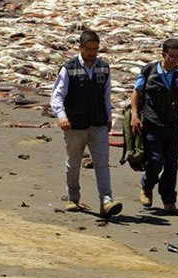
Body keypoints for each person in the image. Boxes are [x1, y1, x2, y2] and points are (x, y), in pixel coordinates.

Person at [50, 30, 123, 217]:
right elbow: (57, 95)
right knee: (73, 163)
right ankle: (73, 198)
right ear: (80, 48)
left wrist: (108, 117)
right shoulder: (69, 68)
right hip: (75, 125)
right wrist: (61, 116)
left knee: (102, 163)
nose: (92, 53)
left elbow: (106, 95)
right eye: (89, 49)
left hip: (97, 124)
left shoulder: (104, 68)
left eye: (96, 49)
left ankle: (106, 201)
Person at [130, 38, 178, 214]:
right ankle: (147, 185)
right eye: (172, 56)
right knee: (155, 160)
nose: (175, 60)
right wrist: (135, 116)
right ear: (163, 55)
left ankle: (169, 199)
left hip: (171, 124)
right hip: (151, 123)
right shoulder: (149, 71)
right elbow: (136, 93)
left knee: (171, 164)